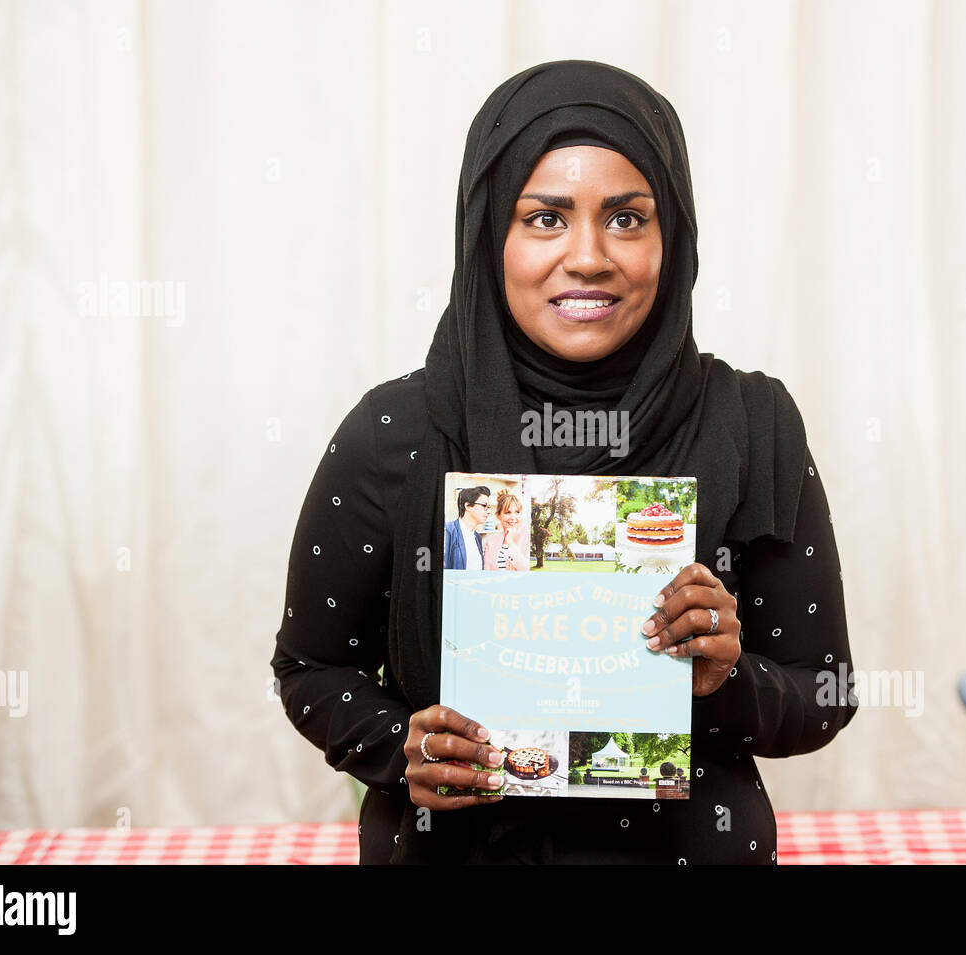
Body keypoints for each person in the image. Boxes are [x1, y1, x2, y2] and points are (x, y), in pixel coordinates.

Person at [271, 59, 858, 864]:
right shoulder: (396, 434)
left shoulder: (752, 426)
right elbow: (308, 668)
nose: (588, 257)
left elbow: (825, 691)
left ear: (673, 235)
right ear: (489, 236)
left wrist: (724, 678)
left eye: (626, 218)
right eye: (545, 218)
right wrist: (396, 743)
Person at [444, 485, 490, 570]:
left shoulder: (477, 537)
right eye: (484, 506)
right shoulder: (448, 531)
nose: (488, 511)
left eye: (488, 507)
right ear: (468, 506)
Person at [482, 488, 527, 571]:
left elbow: (526, 569)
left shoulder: (527, 536)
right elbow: (487, 570)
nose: (513, 518)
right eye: (507, 512)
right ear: (498, 515)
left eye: (517, 512)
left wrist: (510, 542)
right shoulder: (492, 540)